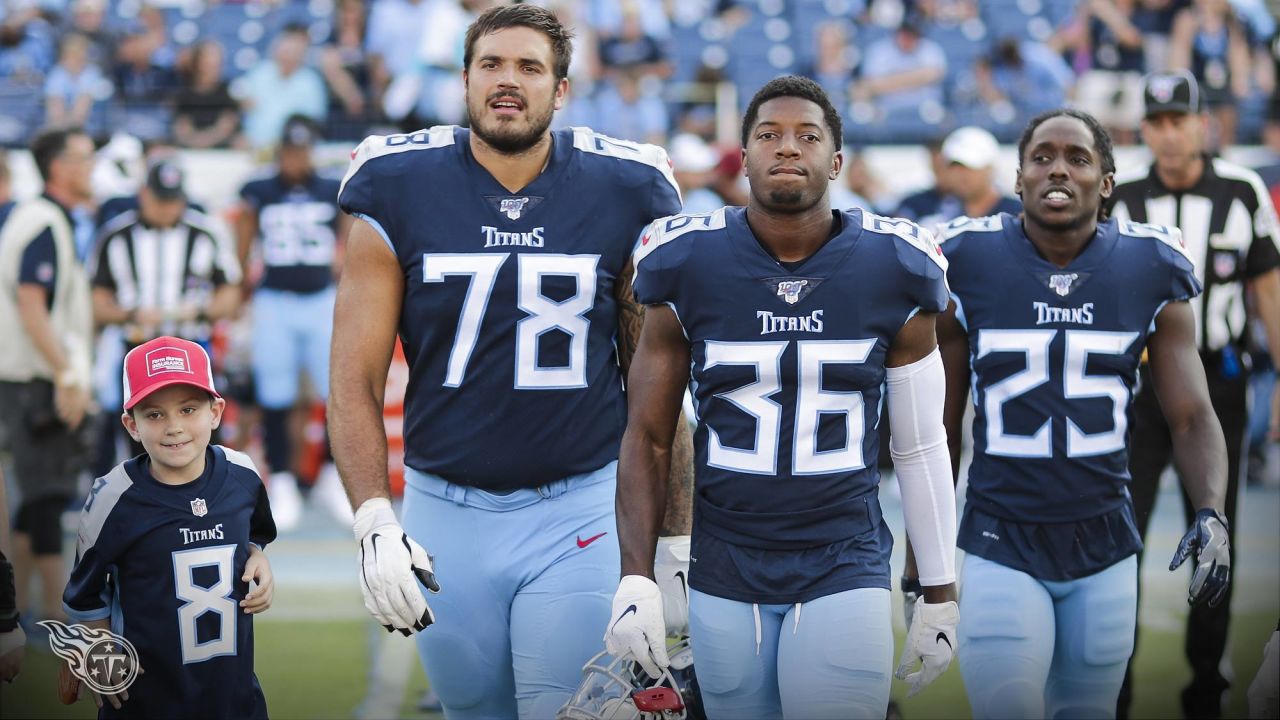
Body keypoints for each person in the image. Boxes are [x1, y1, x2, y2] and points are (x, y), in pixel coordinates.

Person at [331, 5, 693, 718]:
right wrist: (374, 517)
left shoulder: (626, 188)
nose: (508, 80)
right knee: (472, 710)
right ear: (464, 80)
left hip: (580, 509)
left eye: (530, 67)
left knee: (565, 707)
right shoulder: (397, 184)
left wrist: (675, 543)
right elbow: (354, 380)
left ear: (560, 90)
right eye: (491, 64)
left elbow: (657, 393)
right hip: (444, 509)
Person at [605, 75, 959, 719]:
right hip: (724, 561)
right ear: (744, 157)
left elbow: (920, 445)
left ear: (838, 160)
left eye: (808, 135)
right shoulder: (686, 259)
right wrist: (637, 575)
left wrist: (939, 590)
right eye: (769, 135)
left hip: (842, 557)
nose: (788, 148)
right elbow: (649, 435)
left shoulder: (896, 264)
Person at [916, 108, 1231, 719]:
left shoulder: (1151, 264)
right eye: (1042, 157)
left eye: (1078, 158)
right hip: (999, 535)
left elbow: (1191, 415)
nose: (1058, 168)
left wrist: (1211, 510)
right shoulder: (966, 257)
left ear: (1106, 182)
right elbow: (938, 426)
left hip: (1105, 542)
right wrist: (921, 558)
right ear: (1018, 177)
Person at [1109, 71, 1280, 720]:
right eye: (1156, 122)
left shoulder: (1240, 191)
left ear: (1203, 122)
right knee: (1123, 537)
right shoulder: (1122, 194)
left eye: (1179, 119)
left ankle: (1206, 688)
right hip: (1141, 388)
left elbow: (1267, 290)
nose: (1168, 133)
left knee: (1215, 531)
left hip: (1220, 383)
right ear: (1144, 128)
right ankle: (1114, 686)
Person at [60, 336, 276, 716]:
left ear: (215, 411)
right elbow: (85, 595)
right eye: (155, 414)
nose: (174, 427)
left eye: (188, 409)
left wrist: (257, 556)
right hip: (146, 698)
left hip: (233, 696)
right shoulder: (112, 497)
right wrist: (98, 648)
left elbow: (253, 532)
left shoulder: (242, 474)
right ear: (131, 424)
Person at [0, 127, 96, 628]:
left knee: (34, 495)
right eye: (85, 157)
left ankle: (21, 612)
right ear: (59, 167)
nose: (93, 165)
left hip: (27, 375)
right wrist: (65, 373)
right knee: (45, 496)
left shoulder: (43, 217)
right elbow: (31, 302)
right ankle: (53, 618)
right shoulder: (43, 220)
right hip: (33, 378)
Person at [237, 116, 349, 531]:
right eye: (290, 151)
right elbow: (245, 235)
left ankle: (330, 474)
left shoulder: (330, 188)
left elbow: (348, 233)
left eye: (302, 151)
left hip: (320, 299)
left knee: (336, 392)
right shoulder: (261, 189)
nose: (295, 159)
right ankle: (281, 478)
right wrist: (240, 277)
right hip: (275, 300)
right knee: (275, 394)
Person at [90, 159, 242, 462]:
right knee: (144, 438)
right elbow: (96, 302)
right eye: (160, 200)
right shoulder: (116, 235)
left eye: (173, 201)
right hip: (136, 349)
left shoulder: (206, 234)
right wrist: (130, 315)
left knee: (201, 433)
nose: (167, 209)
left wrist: (198, 312)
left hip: (192, 349)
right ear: (144, 194)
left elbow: (230, 295)